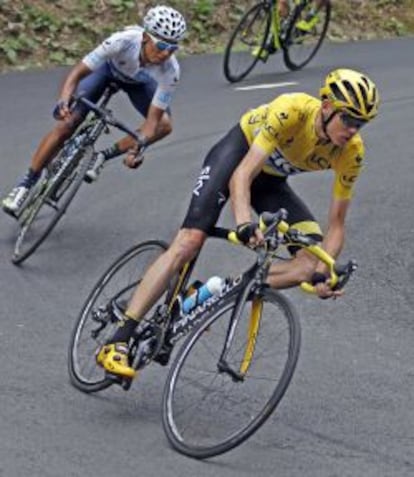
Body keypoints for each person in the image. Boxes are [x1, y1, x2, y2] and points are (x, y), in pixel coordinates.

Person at [96, 68, 379, 379]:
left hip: (271, 183)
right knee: (190, 240)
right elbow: (242, 174)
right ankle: (118, 341)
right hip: (236, 157)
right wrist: (244, 223)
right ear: (326, 107)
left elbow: (337, 224)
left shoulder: (352, 152)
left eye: (361, 123)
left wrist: (325, 272)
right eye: (348, 119)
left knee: (308, 265)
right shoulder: (292, 109)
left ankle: (217, 293)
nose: (353, 129)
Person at [1, 5, 186, 216]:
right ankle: (25, 184)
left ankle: (102, 157)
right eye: (161, 45)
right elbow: (78, 73)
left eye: (172, 49)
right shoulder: (122, 41)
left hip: (139, 85)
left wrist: (137, 148)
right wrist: (64, 100)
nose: (165, 53)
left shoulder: (171, 71)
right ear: (145, 37)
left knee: (165, 125)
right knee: (66, 124)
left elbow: (152, 122)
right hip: (107, 72)